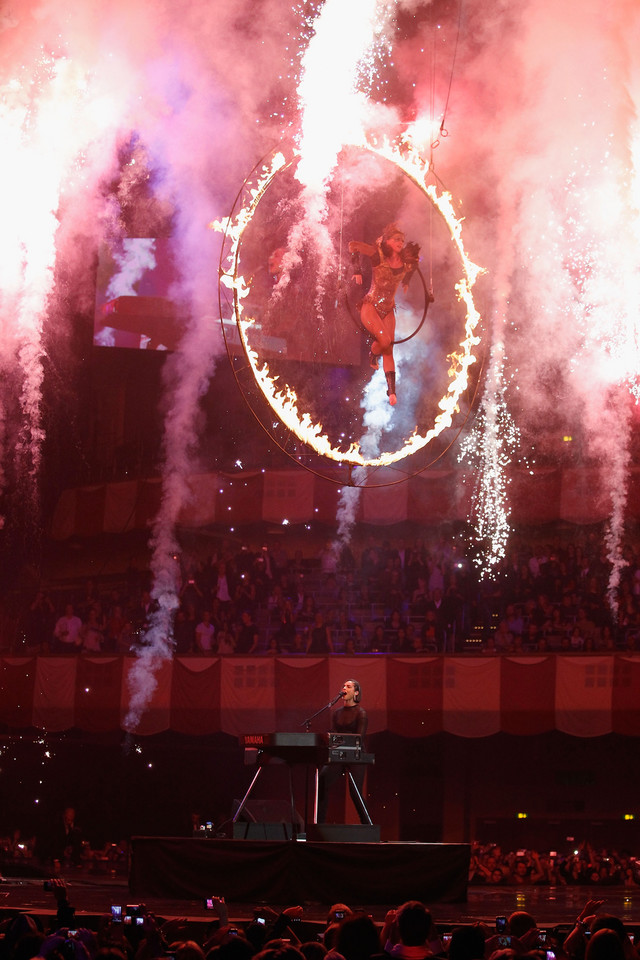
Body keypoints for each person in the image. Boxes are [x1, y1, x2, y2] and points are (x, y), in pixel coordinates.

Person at [349, 223, 421, 405]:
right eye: (396, 239)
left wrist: (406, 281)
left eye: (402, 240)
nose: (400, 242)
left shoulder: (406, 262)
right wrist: (356, 270)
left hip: (388, 309)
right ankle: (373, 354)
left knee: (388, 348)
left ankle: (391, 392)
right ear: (387, 241)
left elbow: (413, 267)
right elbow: (353, 245)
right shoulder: (377, 255)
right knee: (385, 341)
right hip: (371, 306)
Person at [317, 679, 369, 824]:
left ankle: (366, 824)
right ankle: (319, 823)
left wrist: (337, 738)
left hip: (357, 755)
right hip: (339, 754)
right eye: (344, 686)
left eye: (349, 686)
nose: (344, 688)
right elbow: (334, 733)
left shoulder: (361, 713)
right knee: (322, 781)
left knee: (355, 792)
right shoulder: (337, 713)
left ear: (356, 692)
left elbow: (360, 737)